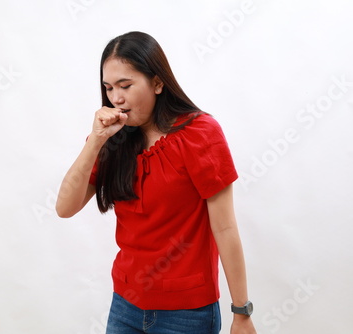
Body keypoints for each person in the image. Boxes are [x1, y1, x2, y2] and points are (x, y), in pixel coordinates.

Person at [56, 31, 256, 334]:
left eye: (126, 85)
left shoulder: (199, 133)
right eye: (108, 88)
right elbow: (64, 208)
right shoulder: (112, 140)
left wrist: (241, 313)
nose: (116, 98)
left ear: (158, 83)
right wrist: (94, 142)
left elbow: (225, 227)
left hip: (187, 313)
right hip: (125, 305)